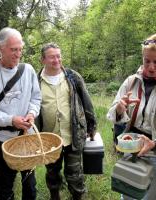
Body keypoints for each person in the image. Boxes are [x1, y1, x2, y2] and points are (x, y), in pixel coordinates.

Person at [0, 27, 41, 200]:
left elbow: (36, 98)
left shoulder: (28, 70)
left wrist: (31, 113)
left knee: (30, 184)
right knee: (6, 186)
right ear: (0, 48)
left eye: (20, 49)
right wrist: (11, 120)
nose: (18, 54)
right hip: (2, 141)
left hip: (26, 138)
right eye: (13, 49)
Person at [37, 43, 97, 200]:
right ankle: (54, 196)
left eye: (58, 56)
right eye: (52, 57)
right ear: (43, 60)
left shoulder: (72, 77)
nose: (56, 60)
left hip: (74, 134)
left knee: (75, 173)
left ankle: (77, 196)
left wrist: (92, 125)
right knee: (52, 172)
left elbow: (86, 101)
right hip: (49, 138)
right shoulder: (36, 81)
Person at [107, 33, 156, 199]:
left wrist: (154, 143)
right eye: (147, 61)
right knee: (129, 193)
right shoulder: (131, 81)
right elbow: (113, 113)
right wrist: (121, 108)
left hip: (154, 154)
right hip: (132, 150)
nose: (150, 67)